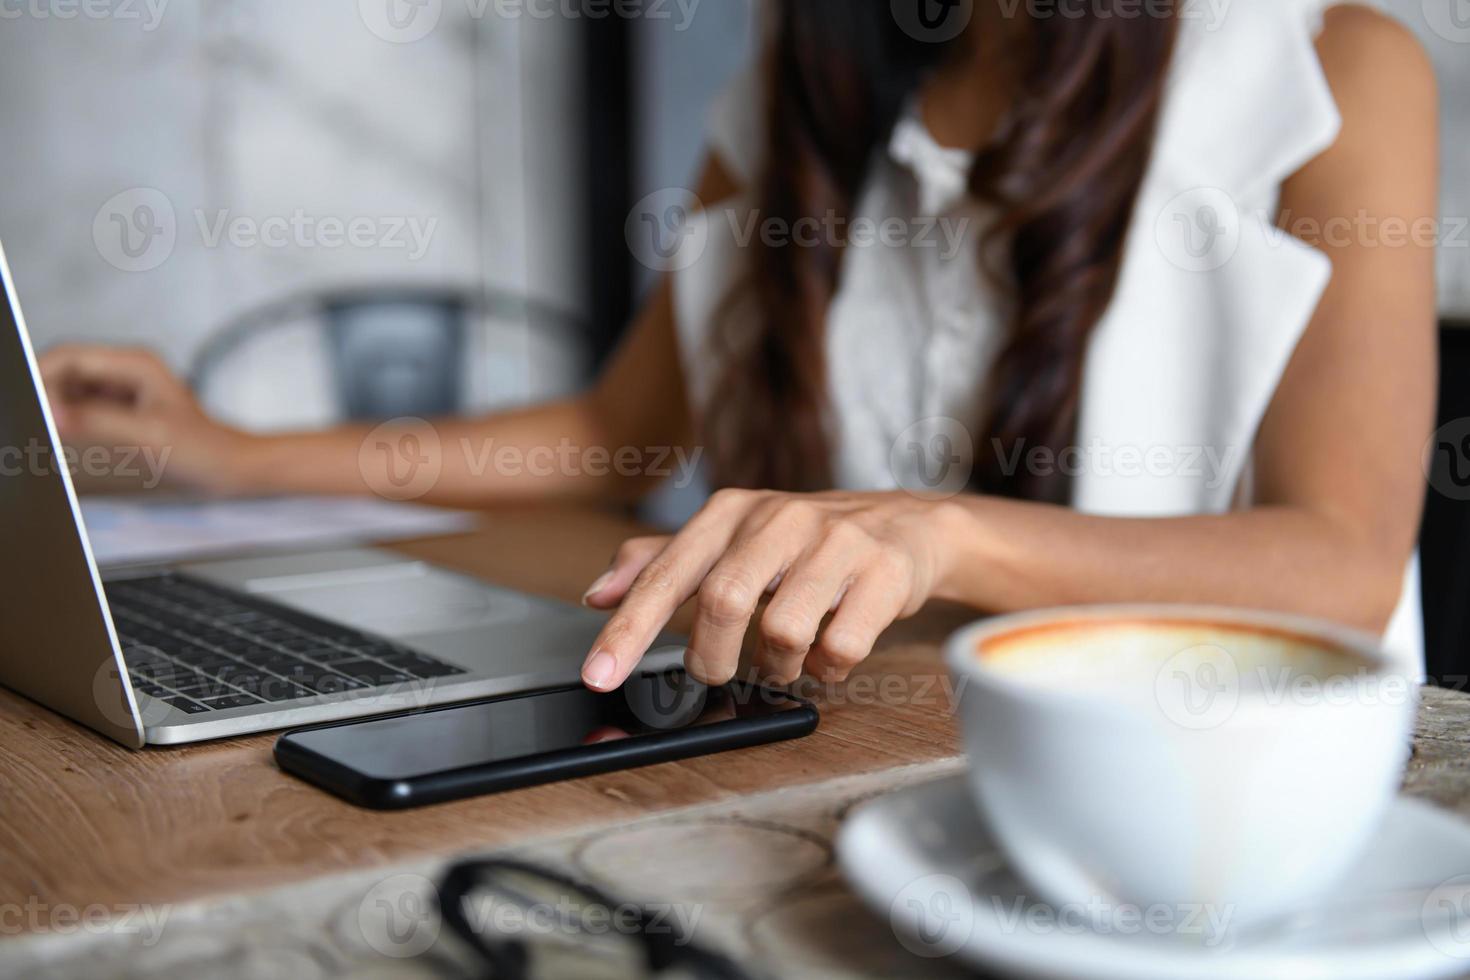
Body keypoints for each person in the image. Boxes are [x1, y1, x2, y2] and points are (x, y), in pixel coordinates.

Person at [41, 1, 1438, 694]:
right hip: (864, 750)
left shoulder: (1327, 63)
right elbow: (616, 438)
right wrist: (223, 456)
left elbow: (1341, 557)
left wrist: (938, 537)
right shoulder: (802, 62)